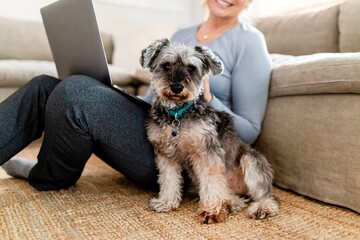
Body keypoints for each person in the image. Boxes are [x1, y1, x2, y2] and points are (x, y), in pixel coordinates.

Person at [0, 0, 272, 192]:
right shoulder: (182, 33)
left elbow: (250, 131)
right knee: (45, 86)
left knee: (74, 92)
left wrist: (207, 97)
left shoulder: (250, 42)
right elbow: (151, 102)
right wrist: (112, 97)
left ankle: (49, 175)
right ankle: (48, 173)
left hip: (189, 158)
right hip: (154, 128)